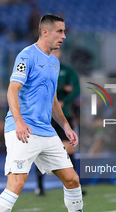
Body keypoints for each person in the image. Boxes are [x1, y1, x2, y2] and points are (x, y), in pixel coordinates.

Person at [0, 14, 89, 212]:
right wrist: (19, 122)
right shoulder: (26, 56)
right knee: (17, 183)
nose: (63, 36)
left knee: (72, 180)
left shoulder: (54, 62)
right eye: (60, 32)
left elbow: (53, 101)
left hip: (46, 131)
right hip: (23, 130)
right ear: (45, 32)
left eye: (64, 32)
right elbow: (12, 91)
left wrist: (66, 127)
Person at [35, 48, 80, 196]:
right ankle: (40, 186)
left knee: (69, 149)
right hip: (45, 117)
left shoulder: (67, 70)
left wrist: (63, 100)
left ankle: (73, 184)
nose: (55, 53)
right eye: (52, 51)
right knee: (40, 150)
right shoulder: (40, 69)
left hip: (63, 115)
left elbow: (76, 90)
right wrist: (62, 88)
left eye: (57, 51)